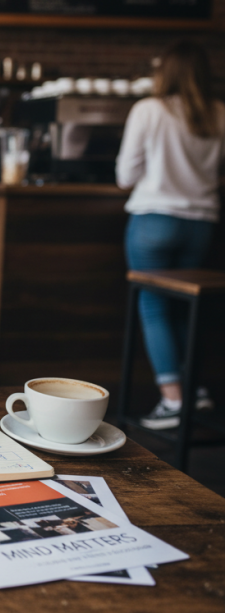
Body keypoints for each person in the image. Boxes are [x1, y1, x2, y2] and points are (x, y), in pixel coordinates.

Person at [116, 40, 225, 430]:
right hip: (201, 224)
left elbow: (125, 175)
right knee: (182, 307)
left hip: (154, 221)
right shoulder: (219, 114)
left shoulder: (150, 110)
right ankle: (195, 391)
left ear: (167, 72)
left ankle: (173, 400)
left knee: (154, 307)